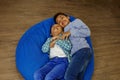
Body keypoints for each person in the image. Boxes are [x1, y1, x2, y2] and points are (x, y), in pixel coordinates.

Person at [54, 12, 92, 80]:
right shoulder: (63, 32)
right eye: (59, 22)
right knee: (79, 77)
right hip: (74, 55)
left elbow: (87, 32)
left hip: (82, 50)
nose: (61, 21)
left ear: (68, 17)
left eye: (62, 18)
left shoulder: (76, 22)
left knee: (69, 76)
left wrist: (71, 32)